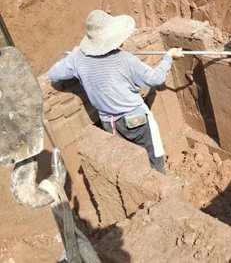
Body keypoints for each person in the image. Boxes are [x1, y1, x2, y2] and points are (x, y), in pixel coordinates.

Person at [48, 10, 183, 174]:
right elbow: (155, 79)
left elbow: (54, 74)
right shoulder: (125, 59)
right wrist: (168, 57)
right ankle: (161, 188)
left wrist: (75, 55)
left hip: (109, 123)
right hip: (136, 121)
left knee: (130, 163)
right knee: (153, 160)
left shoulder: (77, 60)